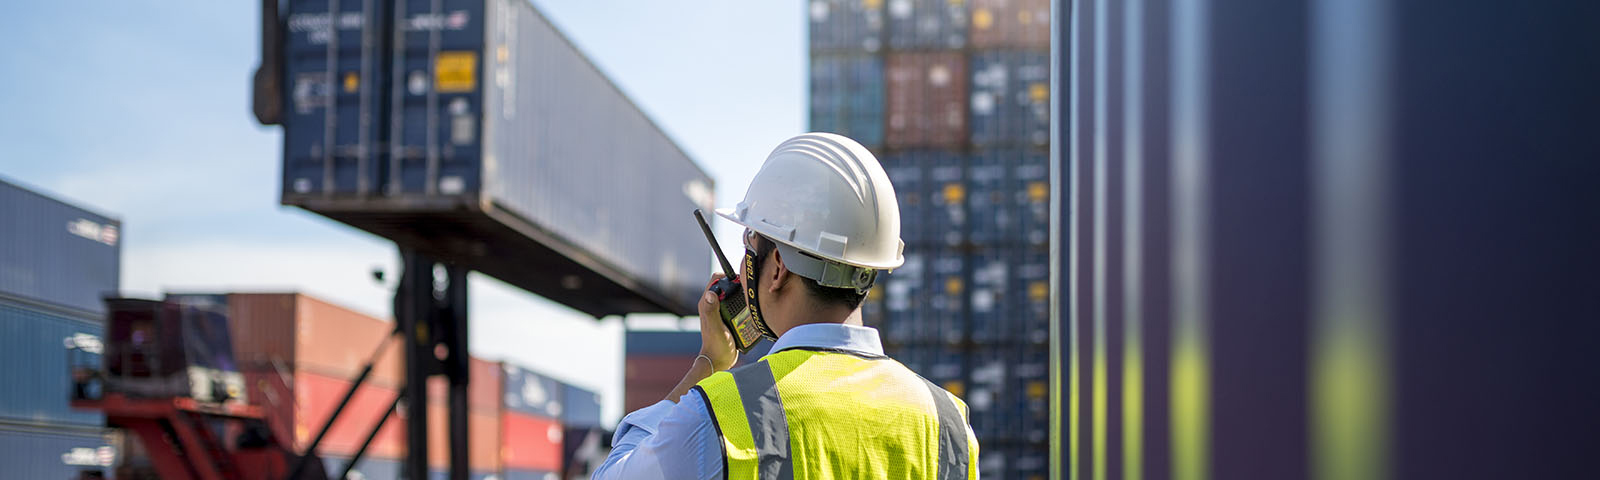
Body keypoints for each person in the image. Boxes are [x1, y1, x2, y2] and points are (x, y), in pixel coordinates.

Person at [593, 133, 979, 479]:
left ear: (776, 267)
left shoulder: (721, 415)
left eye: (749, 246)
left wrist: (708, 364)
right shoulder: (948, 425)